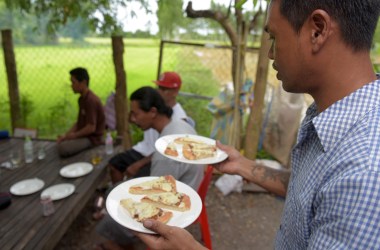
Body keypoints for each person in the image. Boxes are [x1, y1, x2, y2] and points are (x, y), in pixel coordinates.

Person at [134, 0, 380, 249]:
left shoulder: (364, 172)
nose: (271, 53)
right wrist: (243, 165)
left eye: (273, 37)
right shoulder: (332, 114)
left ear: (317, 31)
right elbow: (311, 189)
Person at [95, 86, 204, 249]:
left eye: (135, 113)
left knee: (112, 215)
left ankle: (120, 244)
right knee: (117, 190)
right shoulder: (179, 126)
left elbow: (154, 201)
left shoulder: (165, 153)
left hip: (175, 206)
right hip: (189, 185)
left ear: (153, 112)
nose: (132, 119)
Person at [108, 72, 189, 184]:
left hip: (157, 156)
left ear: (175, 92)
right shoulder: (154, 106)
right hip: (144, 150)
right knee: (114, 164)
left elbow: (168, 152)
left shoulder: (178, 119)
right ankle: (116, 190)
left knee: (136, 183)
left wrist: (139, 164)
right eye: (159, 87)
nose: (159, 92)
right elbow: (133, 119)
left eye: (164, 89)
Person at [57, 67, 105, 157]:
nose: (71, 86)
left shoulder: (91, 100)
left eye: (73, 82)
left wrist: (74, 136)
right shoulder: (82, 99)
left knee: (63, 148)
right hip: (84, 137)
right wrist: (65, 136)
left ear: (83, 82)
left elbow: (91, 127)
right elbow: (78, 123)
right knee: (60, 144)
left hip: (92, 139)